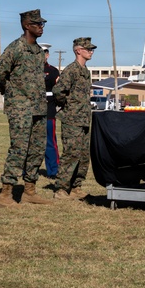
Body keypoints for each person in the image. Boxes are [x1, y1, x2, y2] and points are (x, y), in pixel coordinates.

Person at [0, 9, 52, 206]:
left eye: (42, 23)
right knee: (19, 149)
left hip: (39, 108)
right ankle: (6, 192)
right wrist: (10, 92)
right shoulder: (15, 48)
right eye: (37, 24)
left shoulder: (39, 52)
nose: (41, 27)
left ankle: (29, 191)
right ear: (27, 26)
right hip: (20, 108)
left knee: (36, 150)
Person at [52, 37, 95, 199]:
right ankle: (61, 189)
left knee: (84, 155)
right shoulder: (71, 70)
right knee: (71, 153)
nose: (91, 52)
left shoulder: (85, 71)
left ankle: (76, 186)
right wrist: (69, 106)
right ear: (78, 51)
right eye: (88, 49)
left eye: (91, 49)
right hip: (72, 119)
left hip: (84, 119)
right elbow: (58, 91)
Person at [43, 46, 61, 179]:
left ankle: (53, 170)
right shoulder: (28, 70)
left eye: (43, 53)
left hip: (48, 109)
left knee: (50, 141)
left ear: (47, 55)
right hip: (31, 109)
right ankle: (27, 170)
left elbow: (59, 90)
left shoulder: (53, 71)